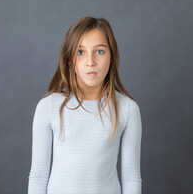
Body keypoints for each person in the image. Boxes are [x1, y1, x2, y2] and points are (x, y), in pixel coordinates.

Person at [28, 16, 142, 194]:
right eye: (80, 52)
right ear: (68, 59)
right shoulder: (48, 107)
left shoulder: (127, 109)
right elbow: (38, 176)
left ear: (111, 57)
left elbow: (131, 177)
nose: (90, 62)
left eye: (100, 51)